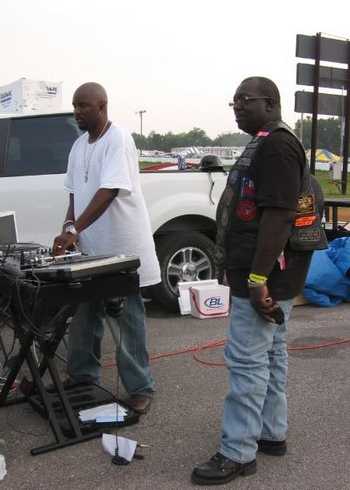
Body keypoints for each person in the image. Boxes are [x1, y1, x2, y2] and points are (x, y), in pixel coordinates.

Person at [191, 76, 326, 485]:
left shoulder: (276, 146)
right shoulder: (267, 139)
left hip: (266, 276)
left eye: (244, 100)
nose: (236, 106)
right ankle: (271, 432)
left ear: (270, 103)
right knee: (270, 354)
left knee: (247, 358)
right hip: (272, 275)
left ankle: (238, 452)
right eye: (232, 101)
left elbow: (280, 215)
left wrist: (255, 280)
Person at [52, 82, 161, 414]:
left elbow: (110, 189)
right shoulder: (78, 145)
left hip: (121, 248)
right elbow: (74, 192)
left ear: (102, 107)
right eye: (74, 105)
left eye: (83, 105)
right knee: (85, 313)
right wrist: (68, 229)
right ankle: (83, 374)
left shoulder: (119, 139)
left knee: (126, 318)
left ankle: (141, 388)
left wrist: (76, 228)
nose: (77, 112)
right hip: (90, 248)